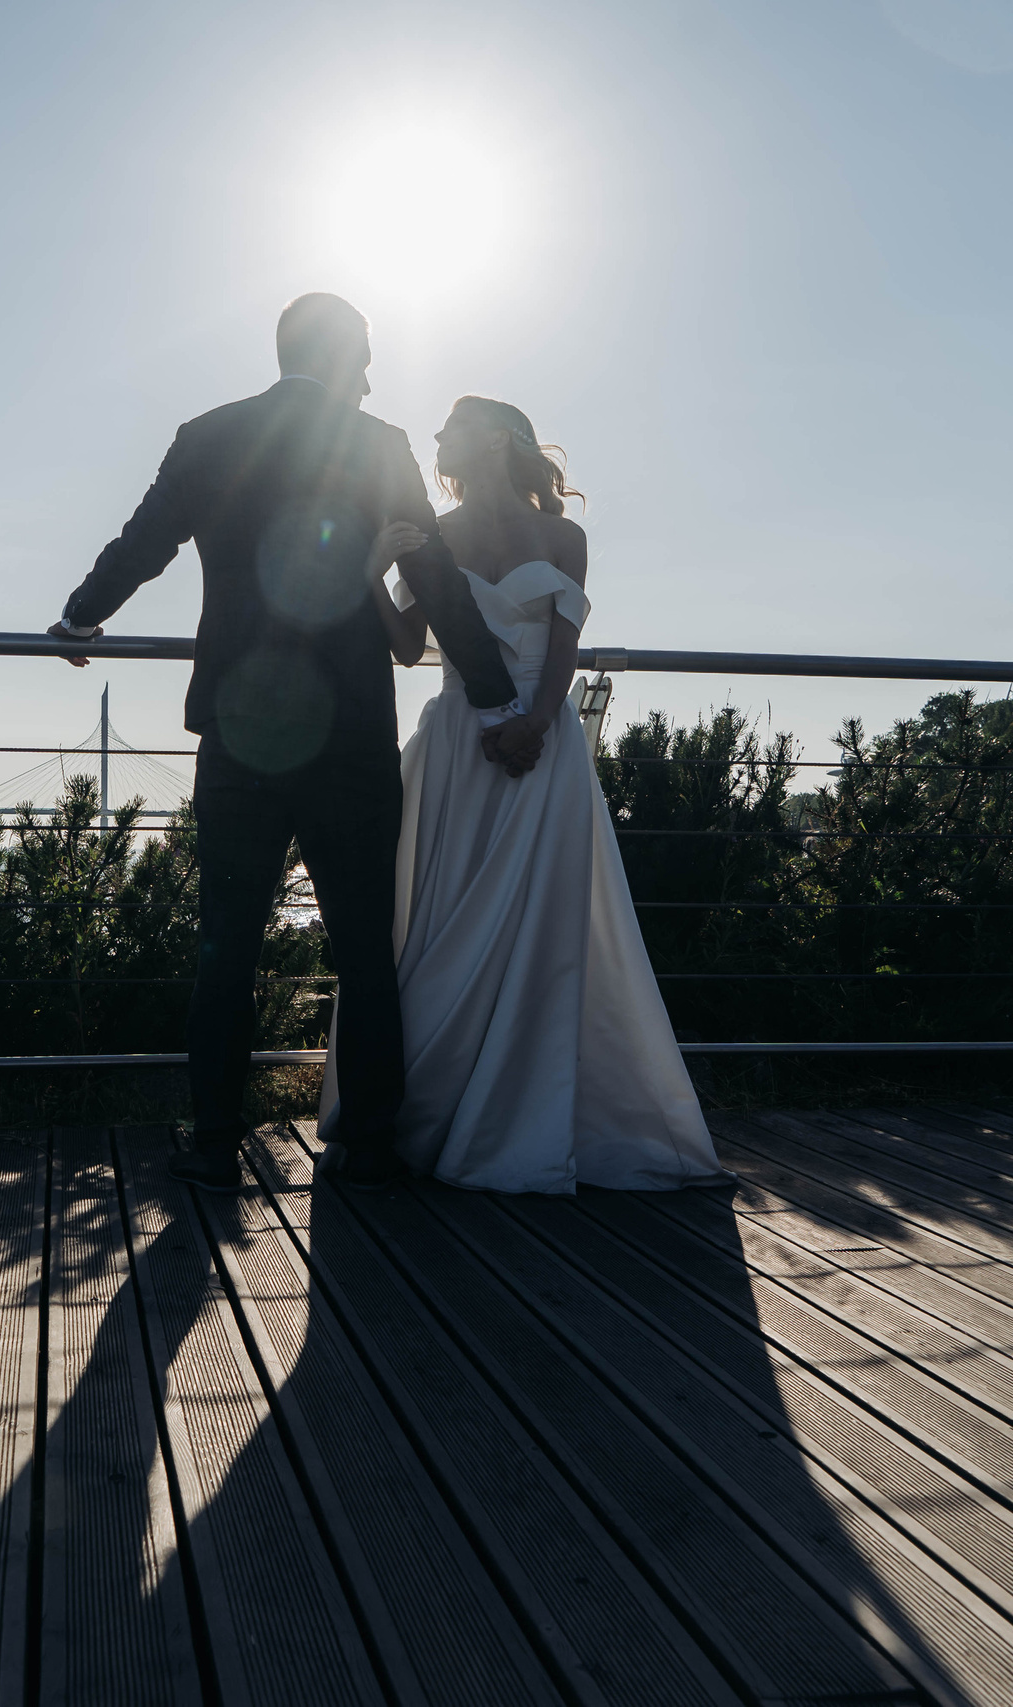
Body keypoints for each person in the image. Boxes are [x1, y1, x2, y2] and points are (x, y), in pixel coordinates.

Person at [50, 295, 532, 1192]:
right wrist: (498, 701)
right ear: (343, 355)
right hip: (350, 730)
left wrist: (82, 614)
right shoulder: (378, 445)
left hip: (240, 732)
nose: (375, 375)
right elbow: (434, 578)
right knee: (360, 945)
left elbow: (143, 543)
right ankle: (370, 1149)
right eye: (369, 356)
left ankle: (214, 1143)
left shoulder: (209, 435)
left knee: (226, 942)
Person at [319, 394, 732, 1193]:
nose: (438, 437)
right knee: (445, 922)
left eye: (453, 425)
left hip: (542, 748)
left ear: (499, 438)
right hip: (457, 750)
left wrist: (536, 724)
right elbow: (408, 649)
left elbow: (564, 647)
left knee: (541, 928)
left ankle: (520, 1114)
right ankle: (428, 1111)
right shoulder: (429, 536)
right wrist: (371, 573)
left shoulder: (565, 538)